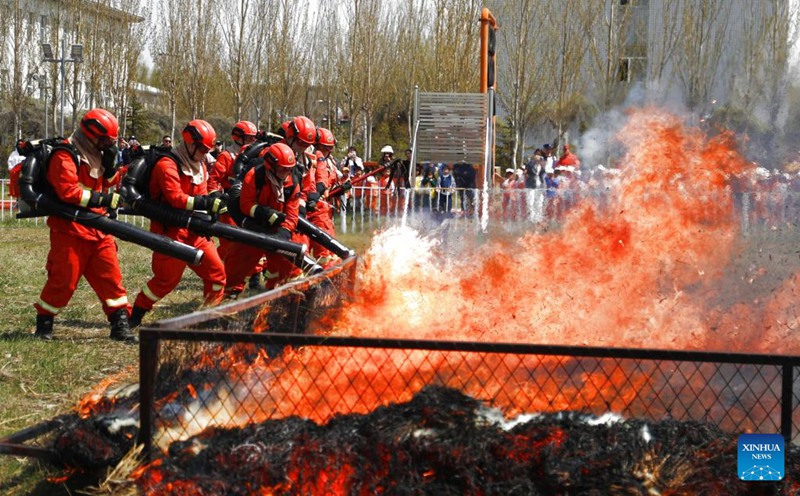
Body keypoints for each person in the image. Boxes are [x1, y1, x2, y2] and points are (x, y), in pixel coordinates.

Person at [32, 108, 137, 342]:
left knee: (111, 278)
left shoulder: (96, 152)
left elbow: (103, 182)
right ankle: (44, 323)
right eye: (106, 139)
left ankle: (120, 324)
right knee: (63, 281)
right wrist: (103, 200)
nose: (109, 143)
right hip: (69, 229)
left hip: (98, 228)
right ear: (91, 134)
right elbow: (68, 192)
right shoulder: (65, 154)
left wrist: (112, 168)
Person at [128, 120, 227, 328]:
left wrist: (210, 210)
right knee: (165, 282)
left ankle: (209, 319)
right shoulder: (167, 165)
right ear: (189, 143)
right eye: (201, 148)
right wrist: (203, 202)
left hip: (194, 232)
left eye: (207, 150)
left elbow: (200, 195)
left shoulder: (199, 166)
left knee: (217, 274)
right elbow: (176, 198)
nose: (204, 153)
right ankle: (135, 314)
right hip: (170, 232)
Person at [223, 143, 300, 294]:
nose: (286, 173)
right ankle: (229, 296)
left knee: (292, 265)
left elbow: (292, 215)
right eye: (282, 168)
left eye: (289, 169)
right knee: (238, 262)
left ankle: (293, 294)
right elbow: (245, 205)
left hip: (278, 229)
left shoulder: (292, 183)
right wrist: (263, 213)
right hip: (253, 227)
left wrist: (283, 235)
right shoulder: (254, 176)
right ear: (270, 166)